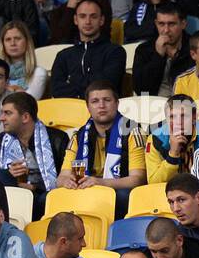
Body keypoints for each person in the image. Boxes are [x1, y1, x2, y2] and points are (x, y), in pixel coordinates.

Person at [56, 82, 148, 217]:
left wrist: (100, 182)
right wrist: (67, 181)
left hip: (116, 191)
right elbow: (61, 178)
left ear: (117, 104)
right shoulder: (79, 135)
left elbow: (137, 179)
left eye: (107, 100)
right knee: (50, 197)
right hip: (87, 189)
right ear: (88, 107)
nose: (101, 105)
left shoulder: (133, 131)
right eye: (95, 101)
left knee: (122, 196)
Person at [0, 91, 69, 217]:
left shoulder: (58, 139)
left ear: (25, 117)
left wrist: (34, 188)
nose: (2, 118)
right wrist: (9, 174)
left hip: (44, 197)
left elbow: (65, 178)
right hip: (11, 196)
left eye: (8, 113)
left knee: (45, 199)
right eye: (2, 113)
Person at [50, 0, 127, 100]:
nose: (88, 22)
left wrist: (71, 81)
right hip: (69, 112)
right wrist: (89, 84)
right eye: (82, 16)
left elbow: (105, 86)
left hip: (103, 111)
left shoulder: (115, 52)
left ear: (102, 20)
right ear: (75, 20)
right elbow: (56, 90)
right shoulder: (63, 55)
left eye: (93, 16)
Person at [131, 3, 194, 97]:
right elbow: (141, 90)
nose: (166, 30)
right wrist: (158, 56)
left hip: (186, 104)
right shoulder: (144, 50)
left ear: (183, 24)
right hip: (154, 104)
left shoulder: (194, 48)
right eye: (161, 24)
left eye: (171, 24)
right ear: (156, 23)